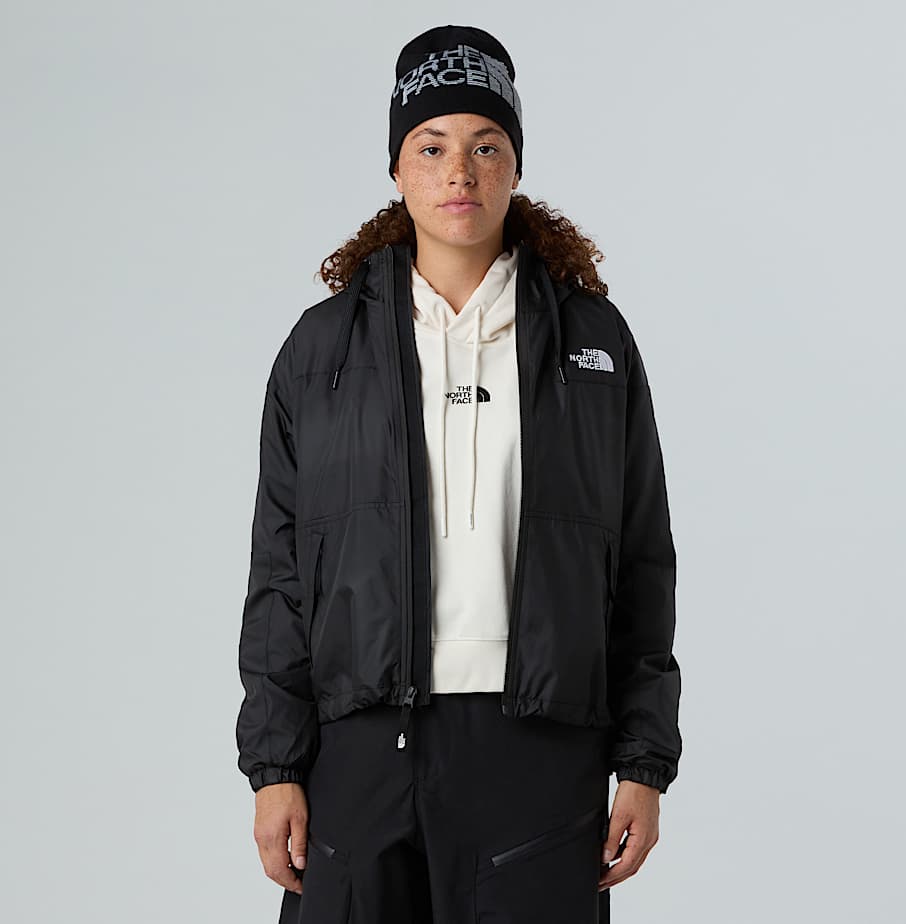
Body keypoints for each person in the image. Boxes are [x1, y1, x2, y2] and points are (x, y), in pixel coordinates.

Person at [235, 23, 682, 924]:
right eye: (432, 147)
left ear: (515, 166)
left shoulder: (593, 345)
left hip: (540, 748)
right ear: (397, 169)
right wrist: (276, 766)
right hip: (361, 750)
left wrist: (642, 759)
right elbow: (280, 572)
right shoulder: (320, 352)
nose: (460, 173)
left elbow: (642, 559)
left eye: (486, 146)